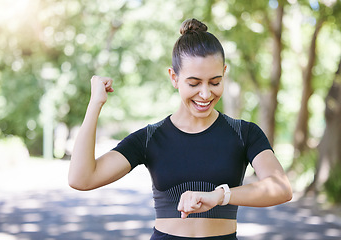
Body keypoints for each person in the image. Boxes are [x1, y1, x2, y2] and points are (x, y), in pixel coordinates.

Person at [68, 18, 293, 240]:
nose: (205, 94)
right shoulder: (150, 139)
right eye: (194, 83)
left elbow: (281, 188)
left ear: (224, 72)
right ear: (174, 77)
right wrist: (95, 104)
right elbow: (82, 178)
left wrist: (220, 196)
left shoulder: (244, 134)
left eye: (215, 82)